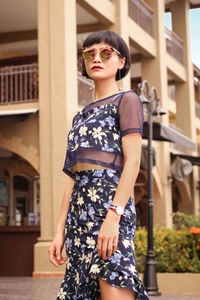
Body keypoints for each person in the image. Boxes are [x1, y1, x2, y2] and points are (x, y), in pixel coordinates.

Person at [48, 30, 149, 300]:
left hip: (109, 212)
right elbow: (72, 177)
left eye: (106, 53)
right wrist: (59, 233)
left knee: (114, 284)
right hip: (78, 219)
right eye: (89, 53)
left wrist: (113, 217)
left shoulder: (126, 100)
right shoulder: (79, 116)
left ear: (122, 62)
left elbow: (133, 162)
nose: (96, 58)